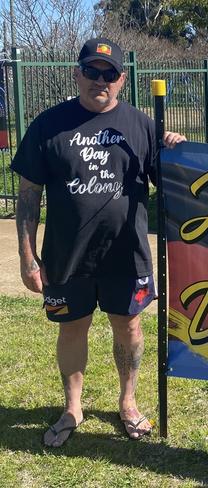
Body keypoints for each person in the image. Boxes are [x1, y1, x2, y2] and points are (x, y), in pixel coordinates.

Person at [11, 37, 186, 447]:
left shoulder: (143, 126)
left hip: (126, 254)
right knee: (72, 328)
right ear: (77, 73)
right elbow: (27, 196)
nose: (99, 80)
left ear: (122, 79)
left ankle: (128, 401)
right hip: (67, 255)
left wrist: (175, 152)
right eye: (91, 71)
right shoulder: (47, 125)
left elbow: (175, 189)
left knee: (129, 326)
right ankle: (73, 407)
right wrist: (27, 257)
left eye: (109, 74)